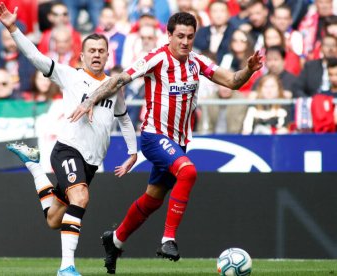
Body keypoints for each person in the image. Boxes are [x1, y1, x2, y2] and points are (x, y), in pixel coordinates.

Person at [69, 11, 263, 274]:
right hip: (154, 136)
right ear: (169, 35)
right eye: (180, 36)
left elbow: (231, 81)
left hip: (179, 142)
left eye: (190, 37)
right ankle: (168, 239)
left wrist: (249, 70)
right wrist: (90, 100)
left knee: (153, 200)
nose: (185, 41)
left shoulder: (197, 62)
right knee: (188, 171)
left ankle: (114, 240)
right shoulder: (156, 58)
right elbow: (119, 79)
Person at [0, 3, 137, 276]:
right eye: (91, 51)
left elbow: (124, 119)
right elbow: (36, 57)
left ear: (108, 55)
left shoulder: (114, 87)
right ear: (82, 56)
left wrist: (133, 152)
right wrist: (13, 29)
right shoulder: (71, 76)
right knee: (81, 197)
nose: (96, 55)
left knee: (53, 219)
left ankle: (34, 166)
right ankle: (66, 267)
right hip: (67, 150)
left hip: (91, 162)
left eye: (101, 51)